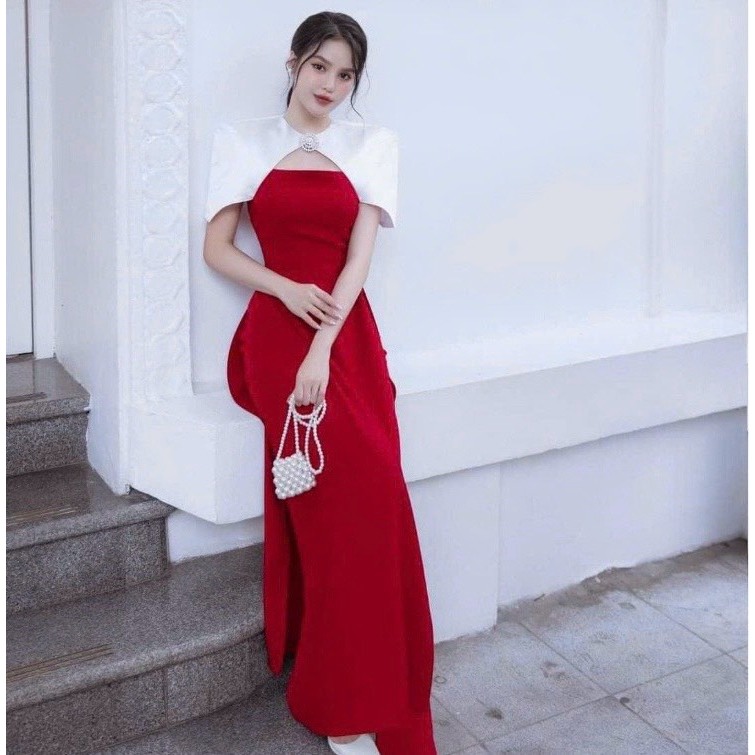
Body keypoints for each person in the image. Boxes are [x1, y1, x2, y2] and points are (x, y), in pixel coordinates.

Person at [202, 12, 437, 755]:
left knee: (374, 497)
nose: (330, 85)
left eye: (345, 74)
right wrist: (283, 288)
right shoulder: (244, 140)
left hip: (343, 337)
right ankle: (339, 703)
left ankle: (373, 679)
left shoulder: (373, 144)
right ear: (293, 63)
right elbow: (217, 249)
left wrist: (323, 349)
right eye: (319, 67)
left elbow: (358, 258)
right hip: (275, 336)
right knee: (332, 518)